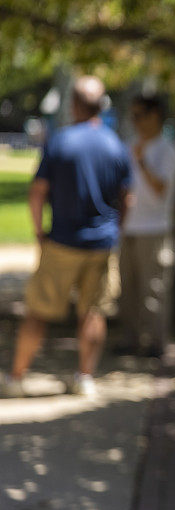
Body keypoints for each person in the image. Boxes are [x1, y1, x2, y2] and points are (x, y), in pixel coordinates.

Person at [0, 76, 132, 398]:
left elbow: (37, 192)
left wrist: (38, 232)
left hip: (60, 241)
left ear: (73, 104)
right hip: (102, 244)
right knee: (93, 311)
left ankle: (17, 379)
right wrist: (117, 231)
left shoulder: (60, 141)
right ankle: (84, 377)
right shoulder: (116, 145)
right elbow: (127, 199)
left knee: (38, 311)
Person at [117, 94, 175, 359]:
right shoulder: (129, 145)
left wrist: (142, 162)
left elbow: (160, 190)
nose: (135, 122)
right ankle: (130, 339)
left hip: (155, 228)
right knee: (127, 289)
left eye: (139, 115)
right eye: (131, 116)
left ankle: (156, 342)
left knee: (153, 290)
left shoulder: (169, 149)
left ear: (155, 115)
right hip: (128, 227)